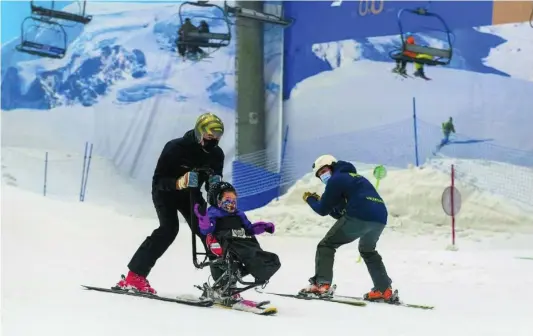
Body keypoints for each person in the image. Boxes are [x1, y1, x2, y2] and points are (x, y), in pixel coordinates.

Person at [115, 113, 226, 294]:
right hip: (166, 193)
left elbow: (212, 186)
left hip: (191, 194)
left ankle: (223, 283)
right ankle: (134, 276)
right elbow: (159, 180)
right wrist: (179, 182)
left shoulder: (216, 154)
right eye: (209, 136)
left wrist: (216, 190)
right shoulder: (176, 147)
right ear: (199, 132)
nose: (213, 140)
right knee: (169, 229)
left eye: (217, 137)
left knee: (209, 232)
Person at [300, 155, 396, 302]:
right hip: (380, 217)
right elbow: (339, 212)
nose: (323, 175)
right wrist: (325, 204)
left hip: (359, 214)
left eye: (324, 170)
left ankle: (322, 285)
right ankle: (384, 290)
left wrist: (311, 199)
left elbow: (322, 210)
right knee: (368, 251)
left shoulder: (336, 180)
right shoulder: (355, 178)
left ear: (332, 166)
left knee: (326, 245)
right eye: (320, 175)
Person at [194, 181, 281, 302]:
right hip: (223, 251)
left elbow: (249, 229)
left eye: (234, 199)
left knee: (270, 261)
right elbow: (207, 229)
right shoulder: (213, 214)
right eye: (227, 199)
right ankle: (224, 288)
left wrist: (262, 227)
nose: (232, 202)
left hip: (242, 247)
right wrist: (204, 222)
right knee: (233, 262)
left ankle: (233, 285)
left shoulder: (239, 214)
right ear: (216, 199)